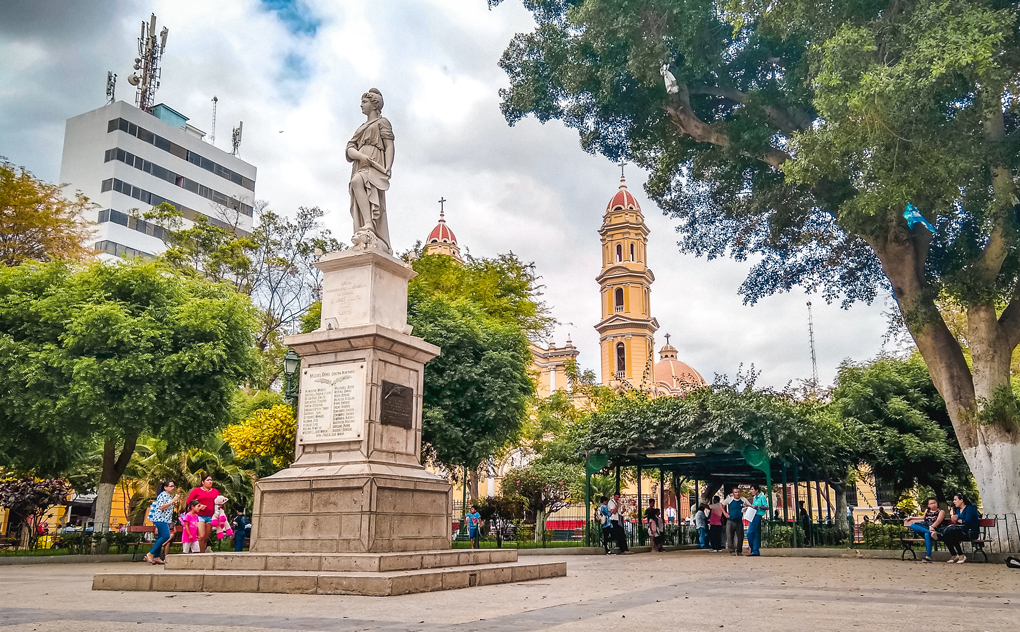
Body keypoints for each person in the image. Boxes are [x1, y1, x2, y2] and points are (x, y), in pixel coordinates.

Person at [346, 88, 394, 253]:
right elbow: (350, 148)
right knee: (357, 184)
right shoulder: (360, 128)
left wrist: (388, 166)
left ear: (375, 105)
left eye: (364, 102)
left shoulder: (382, 122)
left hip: (375, 163)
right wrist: (360, 155)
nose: (361, 105)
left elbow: (389, 145)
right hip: (361, 163)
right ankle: (366, 224)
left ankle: (369, 223)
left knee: (360, 184)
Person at [145, 480, 178, 565]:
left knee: (160, 536)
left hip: (165, 519)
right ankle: (150, 553)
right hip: (160, 519)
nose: (173, 488)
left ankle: (156, 556)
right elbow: (161, 507)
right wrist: (172, 501)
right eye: (170, 486)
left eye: (173, 486)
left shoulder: (169, 496)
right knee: (166, 535)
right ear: (165, 487)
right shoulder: (162, 495)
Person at [903, 497, 945, 563]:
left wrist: (932, 527)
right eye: (931, 503)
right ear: (928, 505)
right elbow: (923, 517)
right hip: (927, 528)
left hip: (936, 529)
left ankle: (928, 557)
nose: (933, 505)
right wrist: (912, 518)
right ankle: (931, 533)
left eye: (934, 503)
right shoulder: (927, 511)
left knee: (927, 535)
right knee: (913, 525)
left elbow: (938, 521)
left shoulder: (941, 512)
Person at [186, 474, 220, 553]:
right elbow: (189, 502)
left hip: (211, 516)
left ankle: (202, 553)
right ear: (203, 482)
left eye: (211, 480)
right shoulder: (197, 490)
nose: (210, 482)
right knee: (201, 536)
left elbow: (219, 502)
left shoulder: (215, 491)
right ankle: (198, 553)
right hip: (199, 516)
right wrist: (199, 506)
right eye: (208, 480)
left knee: (205, 537)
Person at [941, 494, 980, 563]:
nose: (954, 502)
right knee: (946, 534)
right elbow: (958, 523)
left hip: (970, 532)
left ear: (961, 500)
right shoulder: (958, 510)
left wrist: (958, 519)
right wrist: (955, 519)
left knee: (952, 533)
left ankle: (961, 555)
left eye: (955, 500)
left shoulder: (970, 508)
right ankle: (954, 554)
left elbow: (968, 521)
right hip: (960, 531)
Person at [723, 487, 751, 556]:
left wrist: (746, 506)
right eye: (735, 492)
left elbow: (750, 506)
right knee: (730, 536)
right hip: (730, 521)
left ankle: (739, 551)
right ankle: (731, 550)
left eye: (738, 492)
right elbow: (721, 504)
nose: (737, 494)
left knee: (740, 536)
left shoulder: (743, 499)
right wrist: (725, 513)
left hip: (739, 521)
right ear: (733, 493)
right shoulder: (730, 500)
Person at [746, 484, 769, 556]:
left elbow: (767, 507)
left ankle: (752, 547)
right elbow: (753, 506)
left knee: (749, 532)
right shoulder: (755, 497)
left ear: (757, 490)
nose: (751, 491)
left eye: (752, 489)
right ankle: (755, 551)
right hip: (753, 515)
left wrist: (758, 507)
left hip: (758, 515)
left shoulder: (762, 497)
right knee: (755, 534)